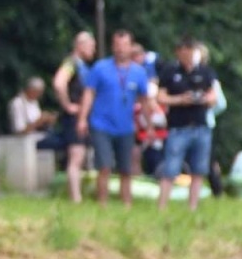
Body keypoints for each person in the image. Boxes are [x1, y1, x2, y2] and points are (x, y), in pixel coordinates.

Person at [77, 29, 153, 207]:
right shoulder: (100, 68)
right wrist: (82, 119)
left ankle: (126, 203)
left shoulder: (139, 72)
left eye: (124, 45)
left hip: (125, 126)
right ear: (112, 47)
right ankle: (102, 203)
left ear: (131, 47)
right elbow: (89, 94)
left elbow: (145, 101)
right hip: (101, 124)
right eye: (117, 46)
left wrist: (149, 125)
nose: (121, 49)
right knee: (104, 166)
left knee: (126, 168)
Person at [154, 36, 216, 211]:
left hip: (201, 126)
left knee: (199, 169)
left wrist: (202, 99)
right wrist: (181, 99)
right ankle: (162, 205)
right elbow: (160, 97)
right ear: (179, 52)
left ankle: (192, 207)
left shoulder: (205, 72)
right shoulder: (170, 71)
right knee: (171, 168)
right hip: (178, 127)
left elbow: (213, 96)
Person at [49, 31, 95, 199]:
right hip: (75, 116)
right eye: (91, 46)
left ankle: (78, 194)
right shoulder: (72, 63)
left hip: (82, 115)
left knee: (80, 156)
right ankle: (75, 197)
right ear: (80, 45)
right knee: (76, 156)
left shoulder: (81, 65)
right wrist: (67, 105)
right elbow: (59, 83)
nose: (93, 50)